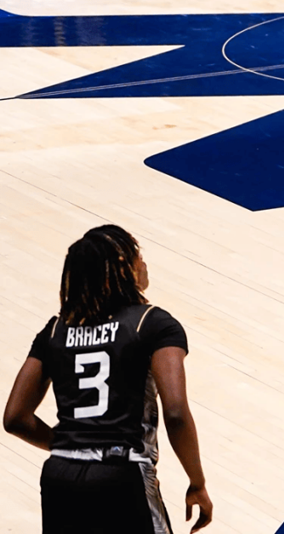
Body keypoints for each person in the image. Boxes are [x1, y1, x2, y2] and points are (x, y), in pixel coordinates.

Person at [2, 225, 212, 533]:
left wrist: (73, 448)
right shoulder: (152, 323)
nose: (144, 263)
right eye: (137, 256)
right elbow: (176, 412)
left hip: (60, 475)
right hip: (121, 473)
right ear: (123, 268)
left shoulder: (55, 330)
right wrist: (197, 482)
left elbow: (14, 418)